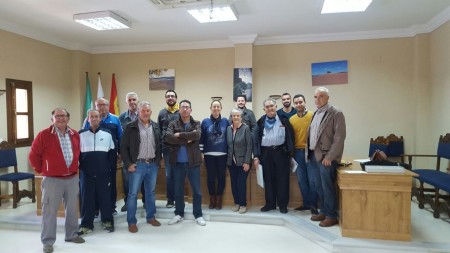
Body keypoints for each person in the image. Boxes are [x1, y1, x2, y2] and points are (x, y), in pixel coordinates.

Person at [29, 108, 85, 253]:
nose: (60, 118)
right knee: (49, 212)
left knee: (72, 209)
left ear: (68, 118)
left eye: (63, 116)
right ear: (52, 119)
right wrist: (44, 169)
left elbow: (78, 153)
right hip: (52, 180)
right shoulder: (44, 135)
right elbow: (33, 156)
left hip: (72, 178)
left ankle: (72, 235)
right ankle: (47, 242)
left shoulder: (75, 134)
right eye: (57, 116)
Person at [307, 87, 346, 227]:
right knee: (319, 186)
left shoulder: (336, 113)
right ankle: (323, 211)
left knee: (327, 186)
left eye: (321, 96)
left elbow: (339, 138)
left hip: (326, 158)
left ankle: (331, 215)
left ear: (328, 98)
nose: (318, 99)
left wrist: (330, 156)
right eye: (315, 97)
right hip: (314, 156)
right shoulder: (315, 113)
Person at [121, 101, 162, 233]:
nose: (145, 113)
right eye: (143, 110)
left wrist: (158, 161)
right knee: (133, 194)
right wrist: (128, 164)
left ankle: (151, 217)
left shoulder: (155, 126)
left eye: (147, 110)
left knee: (150, 192)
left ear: (151, 112)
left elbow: (159, 145)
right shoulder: (130, 127)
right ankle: (131, 222)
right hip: (137, 165)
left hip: (152, 165)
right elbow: (123, 148)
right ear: (138, 111)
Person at [165, 99, 206, 226]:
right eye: (182, 107)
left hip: (193, 162)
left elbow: (197, 136)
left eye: (187, 107)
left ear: (191, 110)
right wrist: (186, 138)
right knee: (178, 190)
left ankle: (198, 215)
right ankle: (178, 213)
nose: (185, 109)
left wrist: (179, 135)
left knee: (196, 191)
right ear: (179, 109)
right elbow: (169, 138)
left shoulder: (196, 123)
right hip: (177, 163)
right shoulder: (173, 123)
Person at [253, 98, 294, 214]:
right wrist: (256, 156)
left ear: (276, 107)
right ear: (264, 109)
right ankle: (270, 204)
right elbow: (255, 140)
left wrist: (289, 152)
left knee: (282, 179)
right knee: (268, 179)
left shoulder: (284, 120)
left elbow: (291, 136)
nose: (270, 108)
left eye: (272, 106)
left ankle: (282, 205)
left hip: (280, 152)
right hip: (266, 153)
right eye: (267, 107)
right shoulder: (260, 122)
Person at [78, 109, 115, 235]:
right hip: (86, 173)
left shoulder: (107, 134)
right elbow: (77, 155)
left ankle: (107, 221)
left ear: (100, 119)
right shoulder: (80, 135)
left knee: (105, 198)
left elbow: (112, 155)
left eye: (96, 117)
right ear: (88, 119)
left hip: (103, 173)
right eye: (91, 117)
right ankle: (86, 224)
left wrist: (109, 170)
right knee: (87, 199)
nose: (94, 119)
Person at [83, 98, 122, 215]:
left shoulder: (115, 119)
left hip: (110, 156)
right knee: (94, 183)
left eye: (104, 104)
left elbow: (120, 137)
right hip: (93, 157)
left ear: (108, 105)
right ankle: (95, 208)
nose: (101, 107)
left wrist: (120, 152)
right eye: (98, 105)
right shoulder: (89, 120)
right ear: (95, 106)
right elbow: (84, 135)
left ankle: (111, 206)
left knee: (111, 182)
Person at [289, 94, 318, 215]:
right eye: (296, 103)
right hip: (297, 153)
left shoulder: (313, 115)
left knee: (313, 180)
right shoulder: (292, 119)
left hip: (311, 152)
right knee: (302, 180)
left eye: (300, 102)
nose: (298, 104)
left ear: (305, 102)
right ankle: (306, 203)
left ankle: (314, 205)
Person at [200, 100, 230, 210]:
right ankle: (212, 200)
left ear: (221, 108)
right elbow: (202, 138)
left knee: (221, 177)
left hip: (223, 153)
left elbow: (229, 137)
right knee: (211, 178)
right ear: (211, 108)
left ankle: (219, 200)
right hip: (209, 154)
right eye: (214, 106)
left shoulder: (226, 121)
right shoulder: (205, 121)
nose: (216, 108)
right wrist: (201, 152)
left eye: (218, 106)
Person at [118, 92, 145, 212]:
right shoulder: (122, 118)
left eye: (134, 99)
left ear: (138, 101)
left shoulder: (144, 115)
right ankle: (128, 203)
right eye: (130, 100)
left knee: (144, 180)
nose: (132, 102)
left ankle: (145, 202)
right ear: (126, 102)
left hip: (143, 154)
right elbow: (120, 137)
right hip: (127, 156)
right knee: (127, 181)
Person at [227, 108, 252, 214]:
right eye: (234, 115)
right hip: (231, 162)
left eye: (238, 115)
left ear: (241, 117)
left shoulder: (245, 128)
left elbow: (249, 146)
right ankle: (236, 203)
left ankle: (243, 204)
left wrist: (247, 162)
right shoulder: (228, 128)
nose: (236, 117)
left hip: (243, 162)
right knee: (233, 183)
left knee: (241, 183)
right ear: (231, 117)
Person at [158, 89, 180, 208]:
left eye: (172, 96)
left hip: (179, 149)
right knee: (169, 175)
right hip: (166, 149)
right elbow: (159, 132)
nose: (170, 98)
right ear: (166, 99)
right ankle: (170, 199)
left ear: (176, 98)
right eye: (168, 96)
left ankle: (179, 199)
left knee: (179, 174)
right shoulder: (162, 113)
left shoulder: (181, 112)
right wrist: (160, 151)